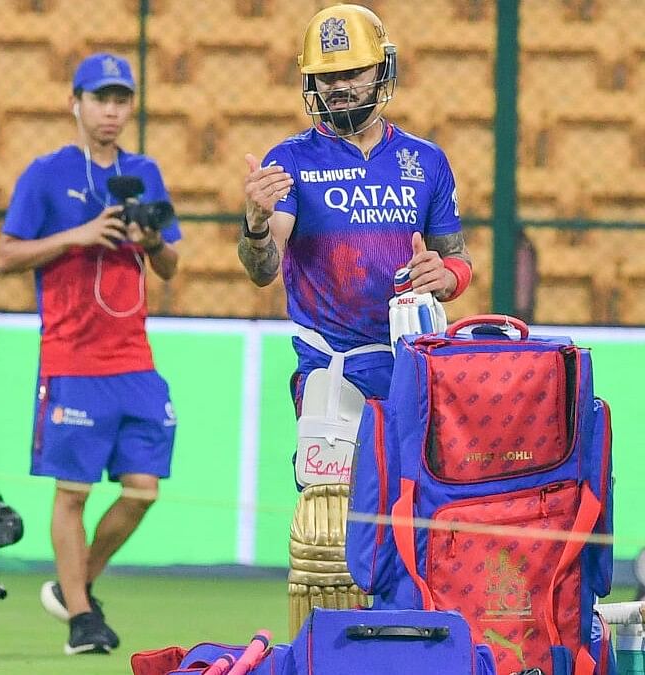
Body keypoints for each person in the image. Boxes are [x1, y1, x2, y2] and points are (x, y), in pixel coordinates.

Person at [235, 4, 472, 635]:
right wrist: (256, 225)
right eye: (327, 74)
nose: (340, 85)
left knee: (421, 518)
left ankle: (417, 646)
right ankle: (333, 659)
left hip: (415, 371)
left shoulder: (426, 161)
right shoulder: (291, 162)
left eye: (355, 71)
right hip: (333, 373)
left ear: (382, 71)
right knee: (327, 533)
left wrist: (446, 279)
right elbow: (263, 268)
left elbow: (457, 264)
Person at [0, 52, 182, 655]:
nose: (111, 110)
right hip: (72, 358)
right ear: (74, 102)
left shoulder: (145, 171)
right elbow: (6, 254)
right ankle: (82, 617)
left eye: (121, 99)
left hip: (134, 358)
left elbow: (173, 264)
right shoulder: (46, 174)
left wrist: (150, 238)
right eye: (100, 98)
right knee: (72, 492)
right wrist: (78, 235)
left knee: (143, 490)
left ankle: (77, 585)